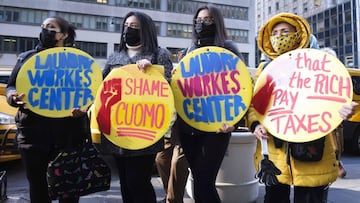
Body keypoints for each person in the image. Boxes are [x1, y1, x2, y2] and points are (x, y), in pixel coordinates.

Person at [247, 12, 357, 203]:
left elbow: (331, 98)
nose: (280, 37)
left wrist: (342, 111)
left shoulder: (318, 66)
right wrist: (256, 125)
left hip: (314, 153)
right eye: (275, 33)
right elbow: (253, 106)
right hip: (276, 156)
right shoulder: (265, 71)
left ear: (298, 34)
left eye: (285, 31)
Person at [6, 16, 87, 203]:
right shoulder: (26, 58)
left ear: (63, 35)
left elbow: (88, 93)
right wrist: (12, 97)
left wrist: (83, 110)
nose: (45, 30)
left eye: (51, 27)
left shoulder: (77, 61)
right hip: (33, 135)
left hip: (68, 136)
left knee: (68, 188)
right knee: (38, 187)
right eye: (43, 26)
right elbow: (12, 86)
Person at [173, 4, 245, 203]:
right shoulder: (190, 50)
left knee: (205, 181)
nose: (202, 24)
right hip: (189, 126)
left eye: (207, 20)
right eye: (199, 20)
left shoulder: (229, 48)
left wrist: (234, 122)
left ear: (217, 22)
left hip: (217, 128)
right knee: (198, 180)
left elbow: (242, 87)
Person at [100, 11, 173, 203]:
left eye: (134, 27)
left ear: (145, 30)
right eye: (126, 26)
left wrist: (153, 71)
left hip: (144, 128)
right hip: (117, 129)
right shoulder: (115, 56)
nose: (128, 30)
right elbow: (102, 87)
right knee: (124, 182)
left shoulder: (159, 54)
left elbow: (169, 87)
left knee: (137, 181)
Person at [321, 47, 347, 178]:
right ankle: (336, 164)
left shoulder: (336, 76)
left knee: (336, 144)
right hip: (324, 119)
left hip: (334, 118)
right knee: (332, 144)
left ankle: (337, 163)